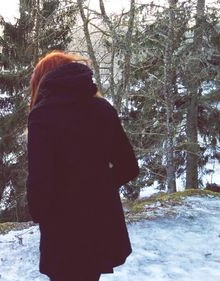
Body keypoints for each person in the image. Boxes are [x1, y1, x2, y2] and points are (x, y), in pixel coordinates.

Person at [27, 51, 139, 281]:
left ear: (43, 80)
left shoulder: (42, 115)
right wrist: (98, 186)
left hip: (62, 233)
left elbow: (40, 183)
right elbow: (128, 166)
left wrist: (41, 212)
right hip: (98, 226)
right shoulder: (103, 108)